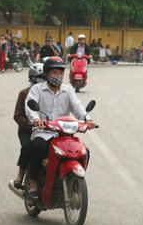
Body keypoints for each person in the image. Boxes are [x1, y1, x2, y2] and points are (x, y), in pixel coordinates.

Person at [12, 58, 92, 195]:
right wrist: (36, 120)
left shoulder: (68, 90)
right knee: (38, 147)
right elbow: (30, 108)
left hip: (64, 133)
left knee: (84, 151)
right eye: (54, 72)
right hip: (43, 131)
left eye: (60, 73)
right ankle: (33, 182)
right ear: (47, 74)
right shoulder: (36, 90)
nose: (57, 76)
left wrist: (87, 120)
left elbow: (77, 107)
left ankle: (73, 179)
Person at [9, 65, 41, 191]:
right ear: (32, 78)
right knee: (28, 146)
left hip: (46, 129)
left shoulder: (48, 92)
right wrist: (30, 124)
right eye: (40, 77)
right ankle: (21, 174)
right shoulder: (24, 93)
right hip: (27, 129)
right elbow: (17, 116)